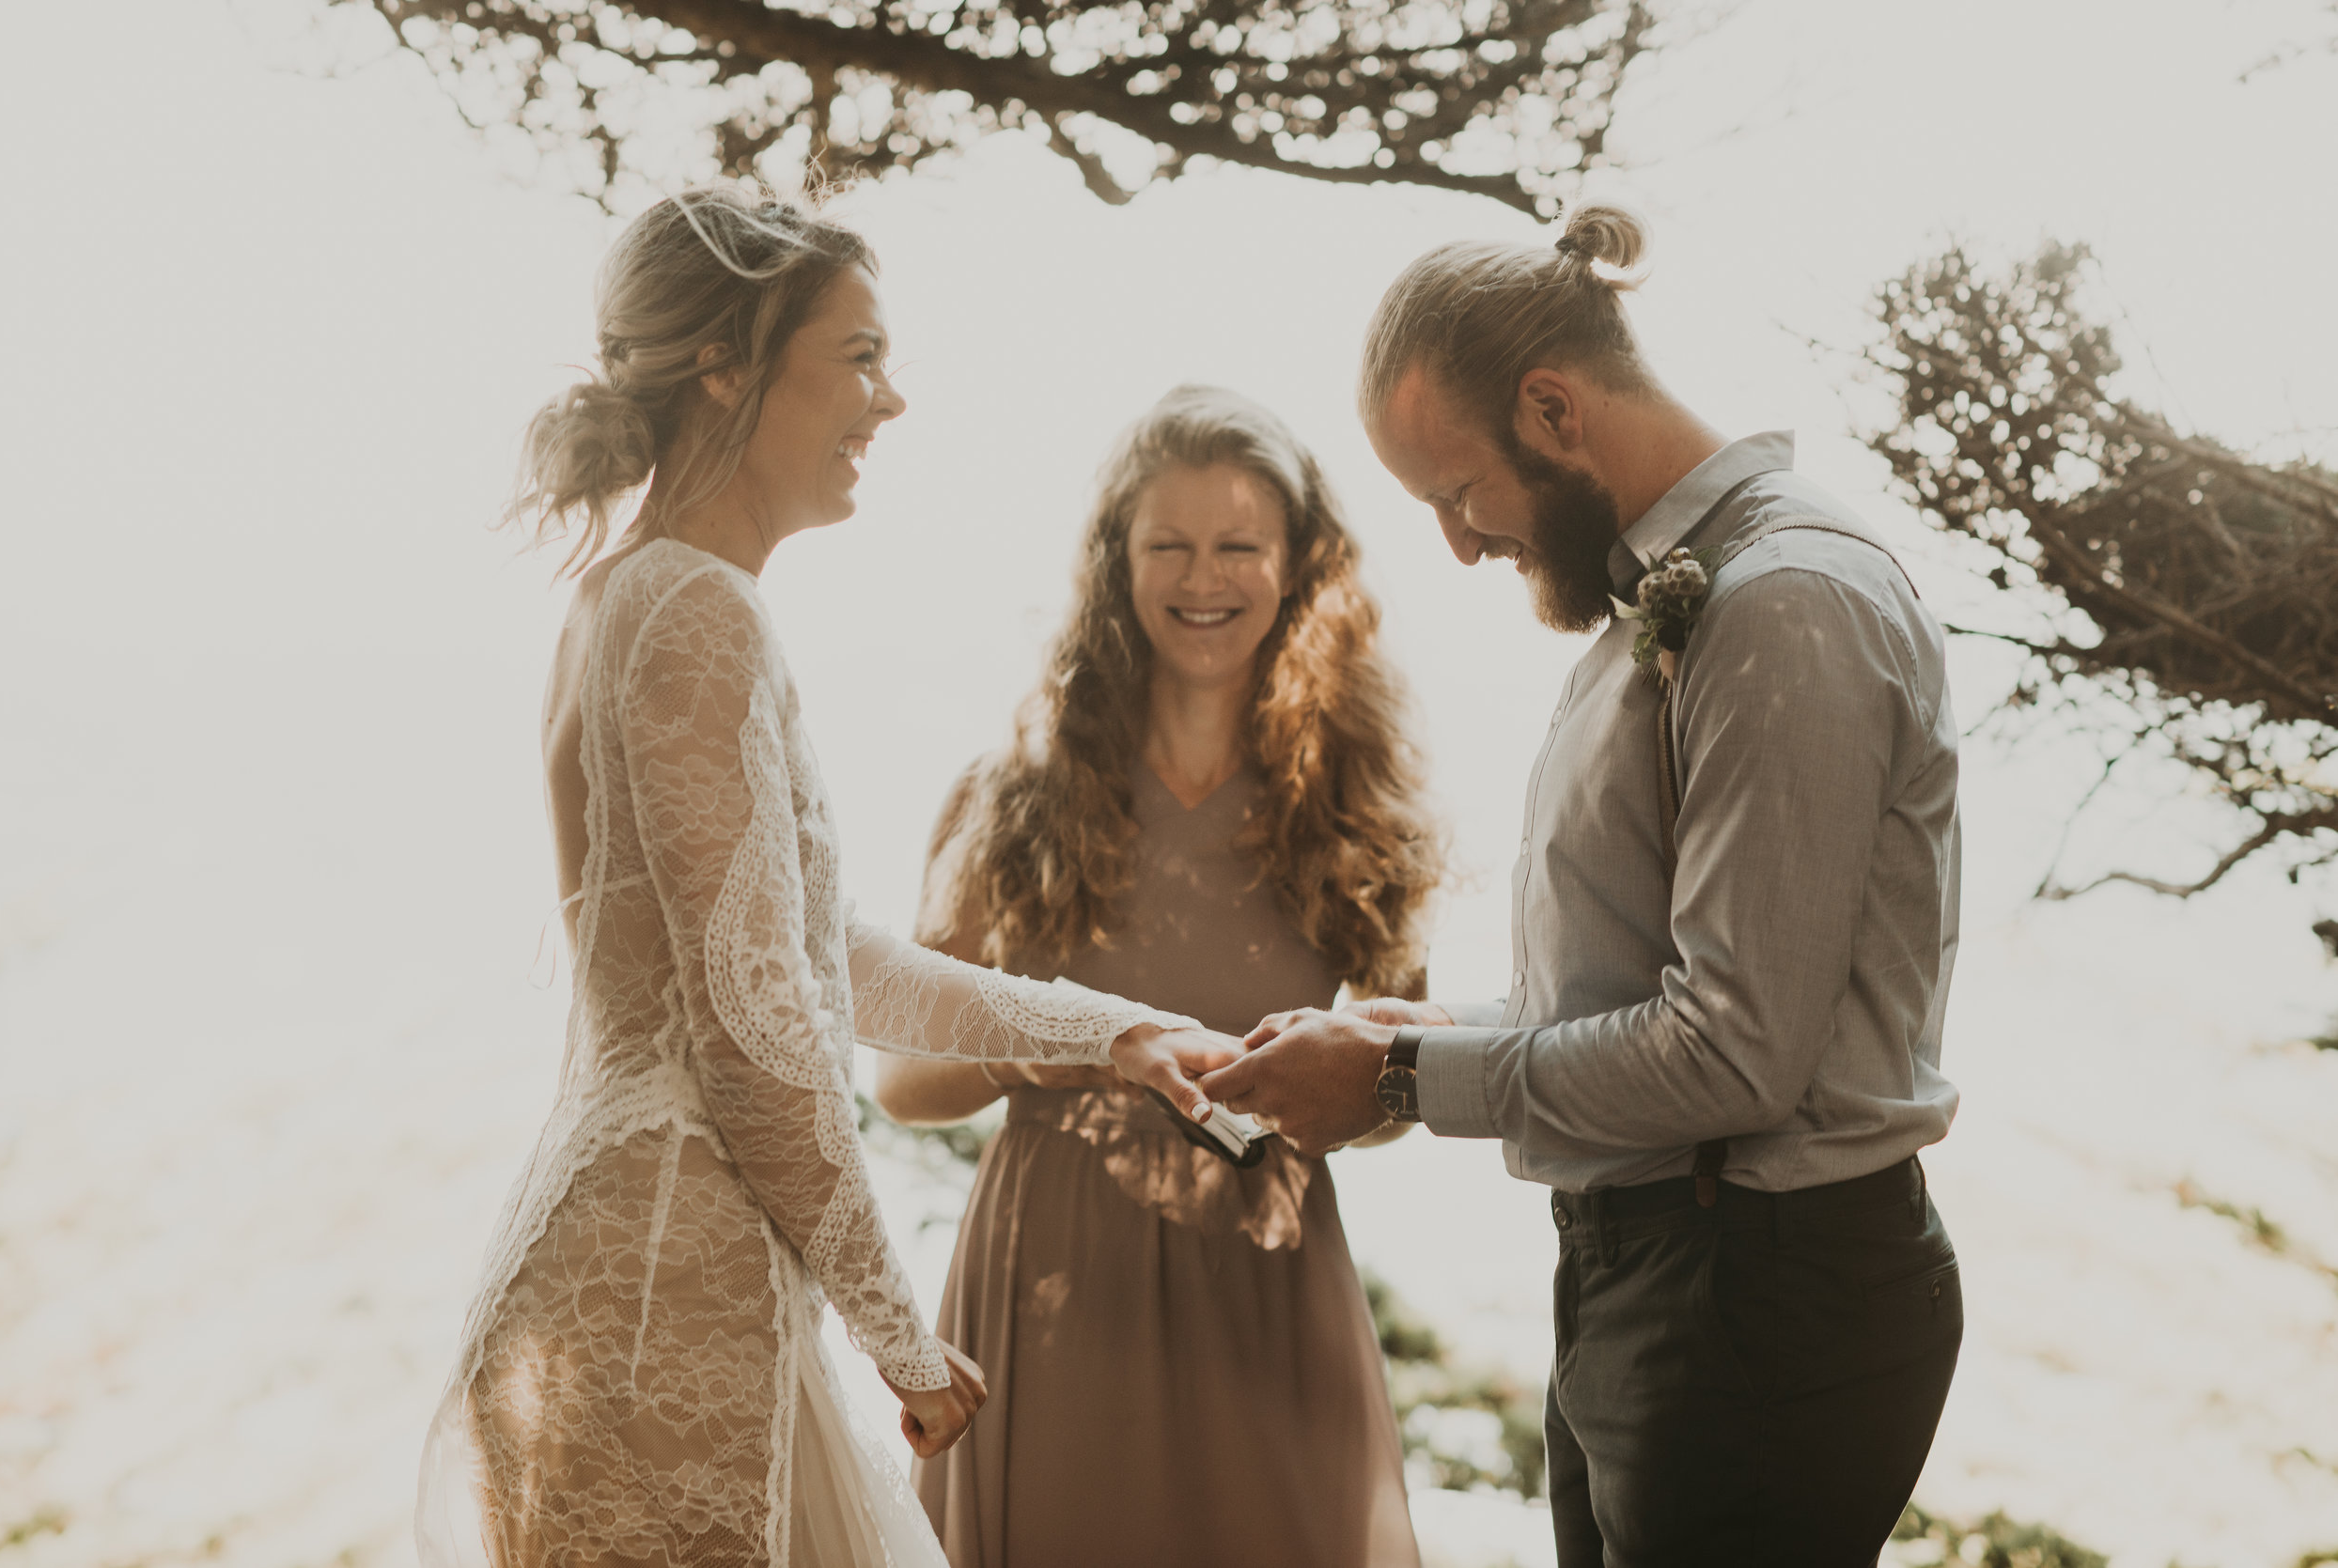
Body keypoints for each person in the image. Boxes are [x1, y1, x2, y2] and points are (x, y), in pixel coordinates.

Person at [414, 187, 1243, 1568]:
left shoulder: (651, 596)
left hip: (672, 1264)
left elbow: (816, 957)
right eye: (860, 354)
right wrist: (901, 1336)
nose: (892, 399)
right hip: (662, 1289)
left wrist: (1111, 1031)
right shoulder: (688, 607)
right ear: (725, 364)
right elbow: (753, 1029)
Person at [1204, 204, 1965, 1565]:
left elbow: (1734, 1053)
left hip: (1761, 1297)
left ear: (1552, 409)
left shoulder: (1783, 603)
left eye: (1454, 493)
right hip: (1669, 1271)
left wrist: (1396, 1088)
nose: (1457, 543)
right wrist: (1413, 1035)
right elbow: (1632, 989)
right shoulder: (1677, 598)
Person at [875, 385, 1442, 1567]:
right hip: (1048, 1279)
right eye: (1168, 545)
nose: (1204, 577)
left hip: (1266, 1281)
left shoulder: (1359, 798)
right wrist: (1066, 1039)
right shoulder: (1013, 792)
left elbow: (1398, 1091)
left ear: (1295, 565)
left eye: (1240, 544)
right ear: (1114, 561)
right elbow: (903, 1082)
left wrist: (1350, 1084)